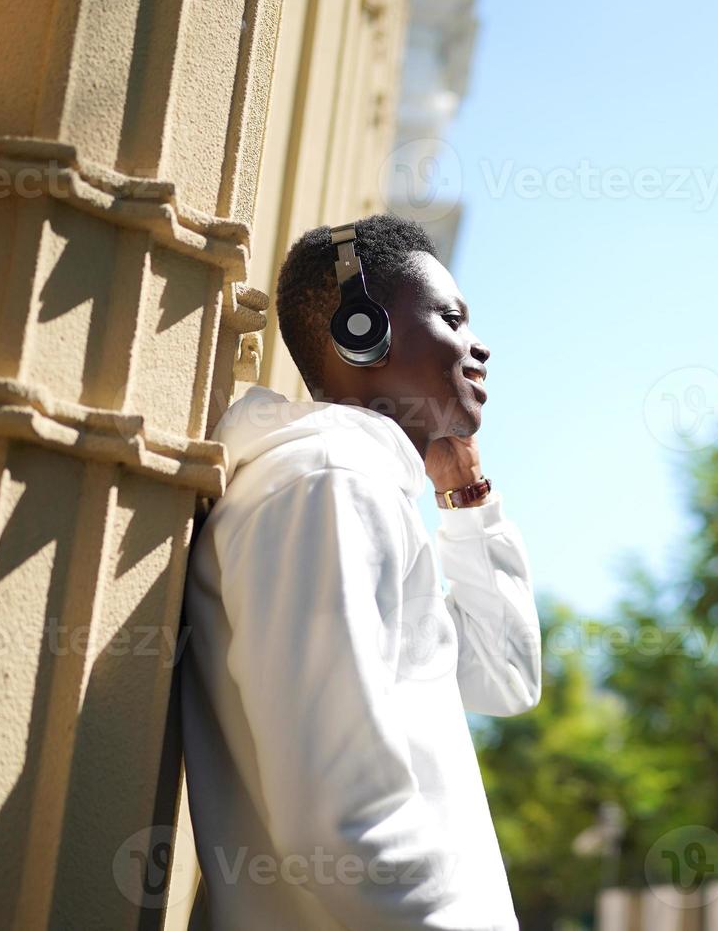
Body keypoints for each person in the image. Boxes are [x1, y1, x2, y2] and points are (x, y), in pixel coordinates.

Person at [181, 215, 541, 929]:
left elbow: (504, 677)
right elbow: (340, 821)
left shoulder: (357, 487)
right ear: (361, 330)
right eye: (451, 317)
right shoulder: (327, 485)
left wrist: (462, 493)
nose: (480, 344)